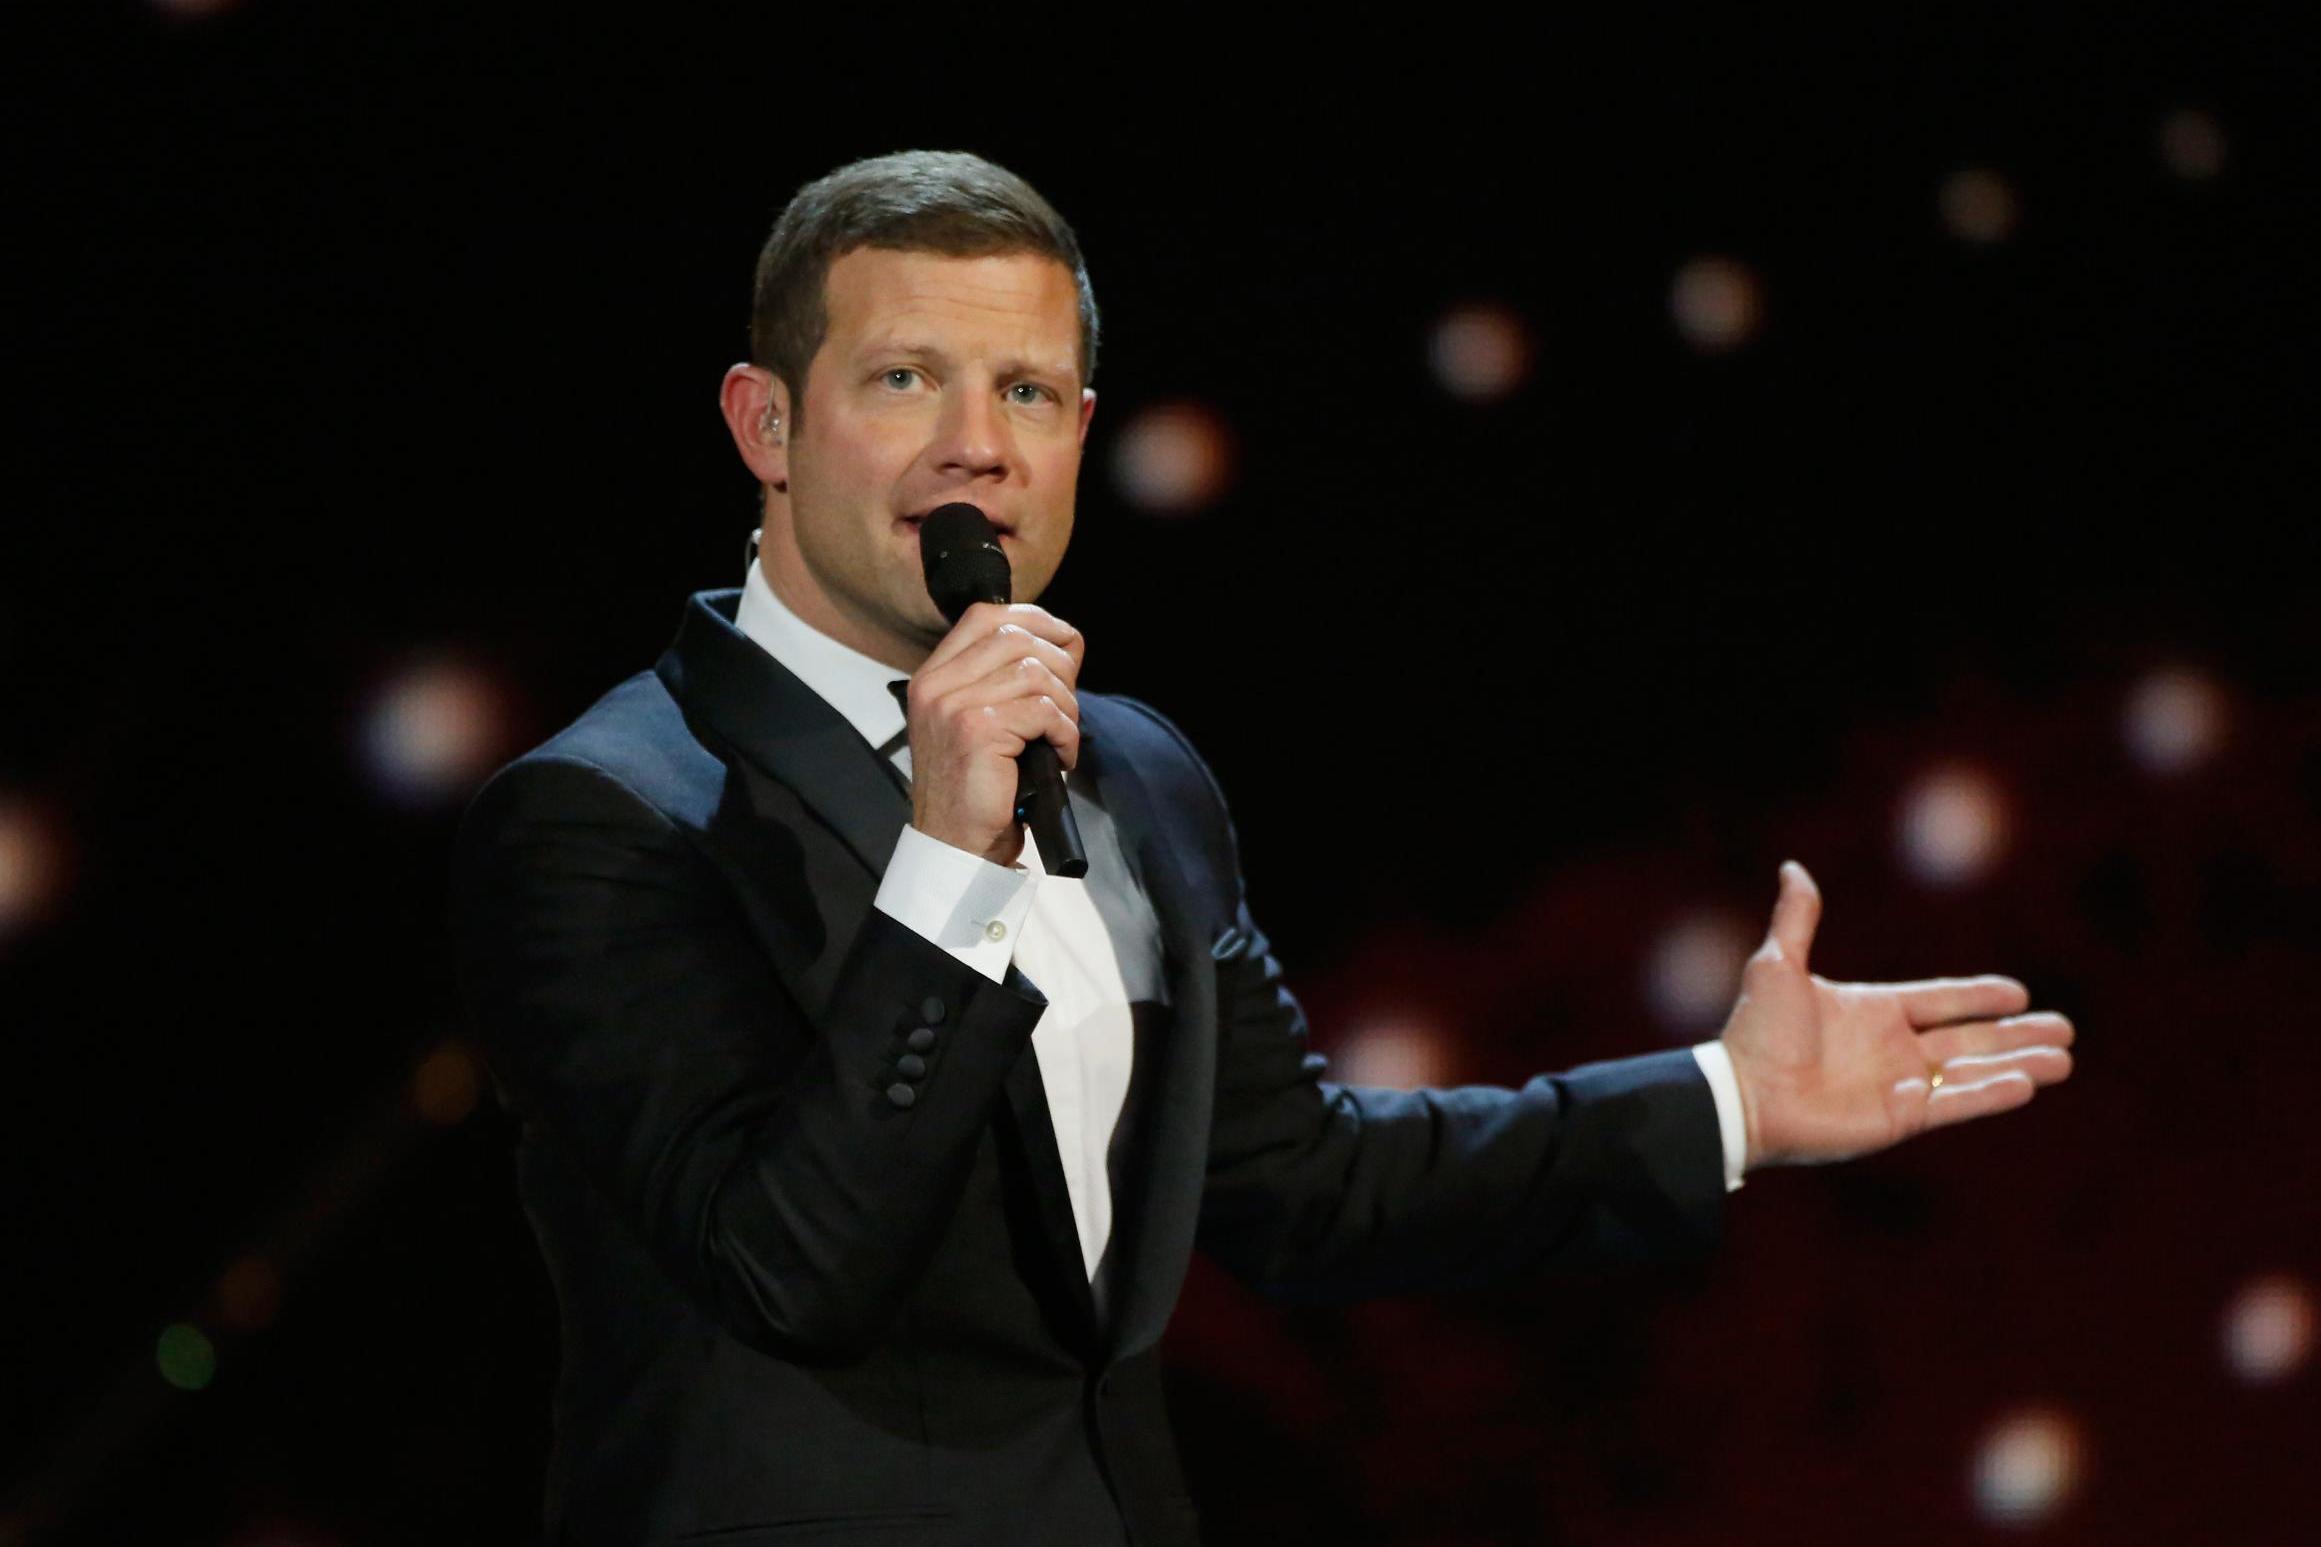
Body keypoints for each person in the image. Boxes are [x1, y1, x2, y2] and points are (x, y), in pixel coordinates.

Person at [449, 149, 2075, 1547]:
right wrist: (946, 854)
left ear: (1081, 430)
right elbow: (787, 1265)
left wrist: (1723, 1105)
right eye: (903, 381)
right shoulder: (609, 814)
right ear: (766, 424)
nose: (976, 447)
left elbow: (1303, 1185)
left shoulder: (1131, 772)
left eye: (1023, 392)